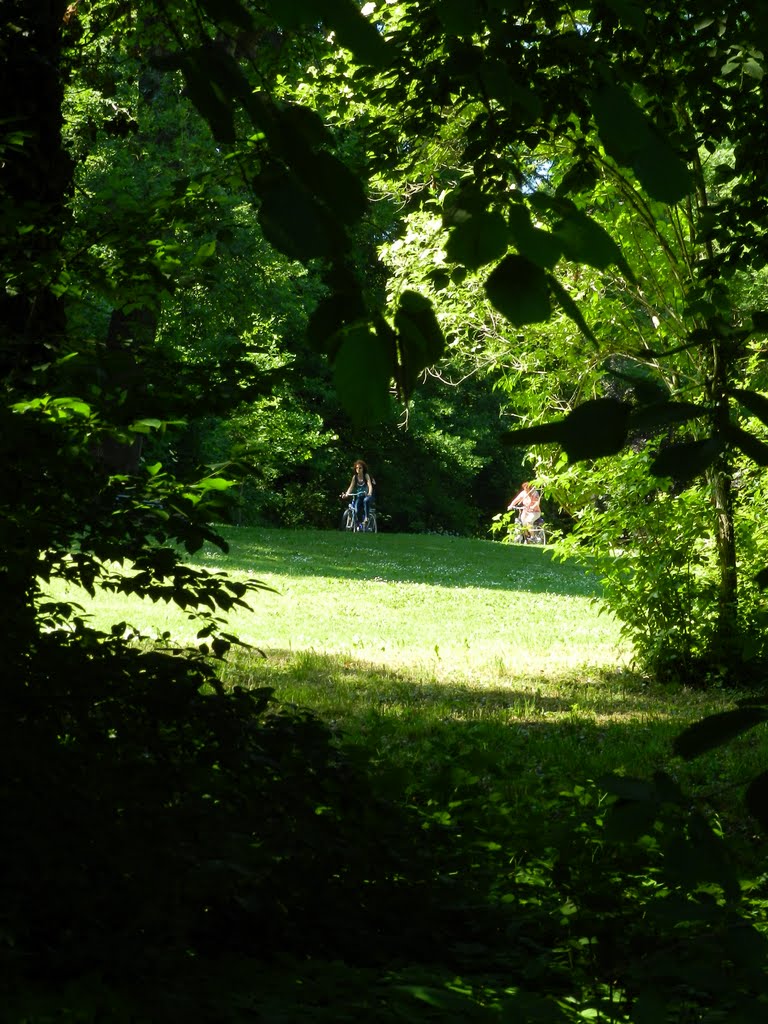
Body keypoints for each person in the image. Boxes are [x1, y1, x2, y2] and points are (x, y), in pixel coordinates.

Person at [341, 459, 375, 525]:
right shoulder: (355, 477)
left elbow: (370, 485)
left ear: (363, 469)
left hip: (367, 495)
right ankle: (360, 523)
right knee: (356, 510)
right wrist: (346, 494)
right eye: (357, 468)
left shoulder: (366, 475)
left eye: (360, 468)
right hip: (359, 496)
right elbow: (351, 487)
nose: (358, 469)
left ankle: (366, 518)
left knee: (366, 500)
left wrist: (369, 493)